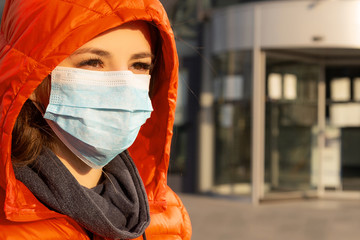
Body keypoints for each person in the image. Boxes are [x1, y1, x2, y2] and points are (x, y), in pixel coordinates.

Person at [0, 0, 192, 239]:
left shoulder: (167, 215)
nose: (123, 86)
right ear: (31, 81)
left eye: (140, 65)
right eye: (93, 62)